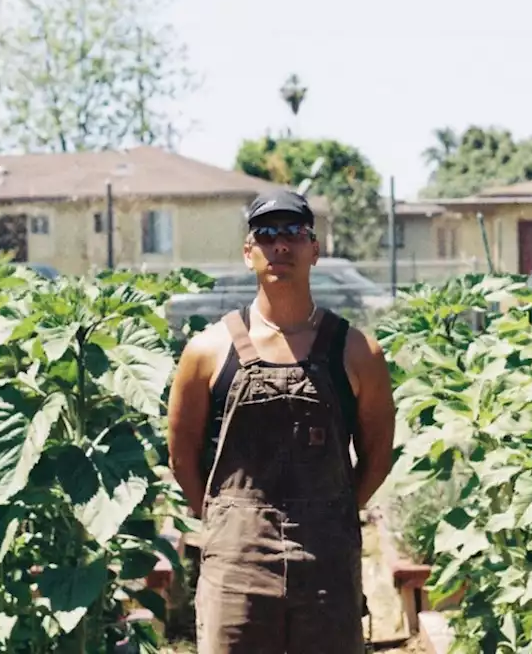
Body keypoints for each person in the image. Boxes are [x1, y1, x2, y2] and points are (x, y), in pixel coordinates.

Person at [166, 188, 397, 653]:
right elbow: (180, 455)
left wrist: (329, 515)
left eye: (294, 233)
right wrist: (226, 522)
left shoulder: (356, 352)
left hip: (326, 564)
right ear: (249, 252)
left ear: (315, 249)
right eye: (266, 235)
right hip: (236, 567)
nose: (281, 246)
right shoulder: (207, 352)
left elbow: (378, 455)